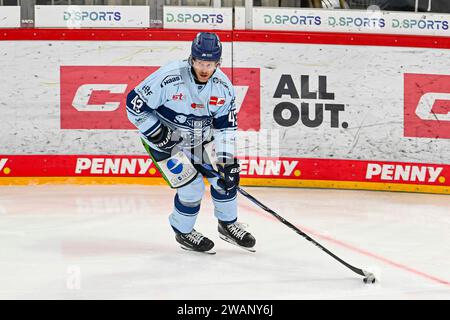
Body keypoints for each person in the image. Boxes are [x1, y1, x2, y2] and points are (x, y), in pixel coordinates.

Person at [126, 32, 256, 254]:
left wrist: (226, 160)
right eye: (200, 63)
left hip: (200, 141)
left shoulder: (223, 87)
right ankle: (183, 230)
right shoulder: (169, 77)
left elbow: (225, 128)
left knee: (224, 180)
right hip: (165, 144)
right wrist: (157, 132)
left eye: (210, 64)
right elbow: (134, 105)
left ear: (218, 63)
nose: (205, 69)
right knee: (193, 188)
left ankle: (228, 224)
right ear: (191, 59)